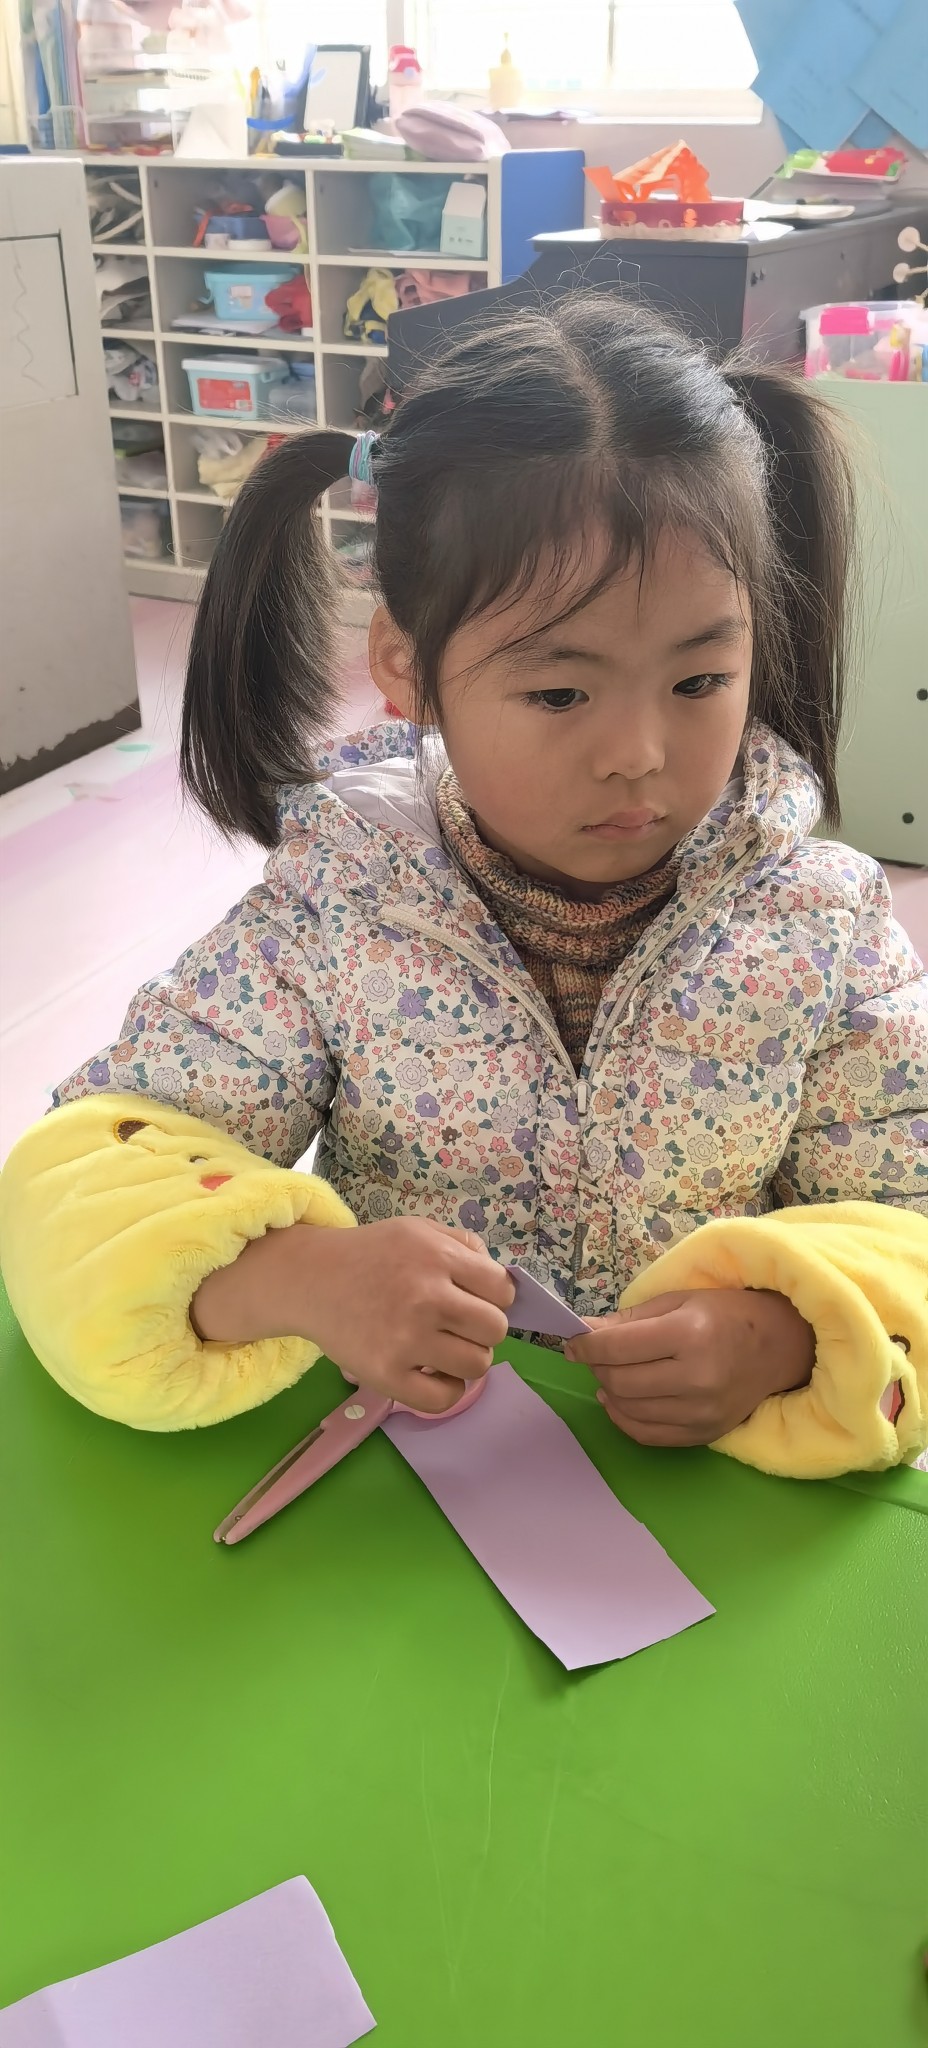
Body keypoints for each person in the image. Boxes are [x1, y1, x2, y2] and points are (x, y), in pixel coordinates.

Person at [2, 298, 926, 1476]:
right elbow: (83, 1177)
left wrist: (790, 1331)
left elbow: (907, 1213)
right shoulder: (339, 905)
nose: (638, 753)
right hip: (404, 1487)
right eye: (559, 693)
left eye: (699, 679)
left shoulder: (827, 927)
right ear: (407, 665)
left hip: (716, 1501)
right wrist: (297, 1276)